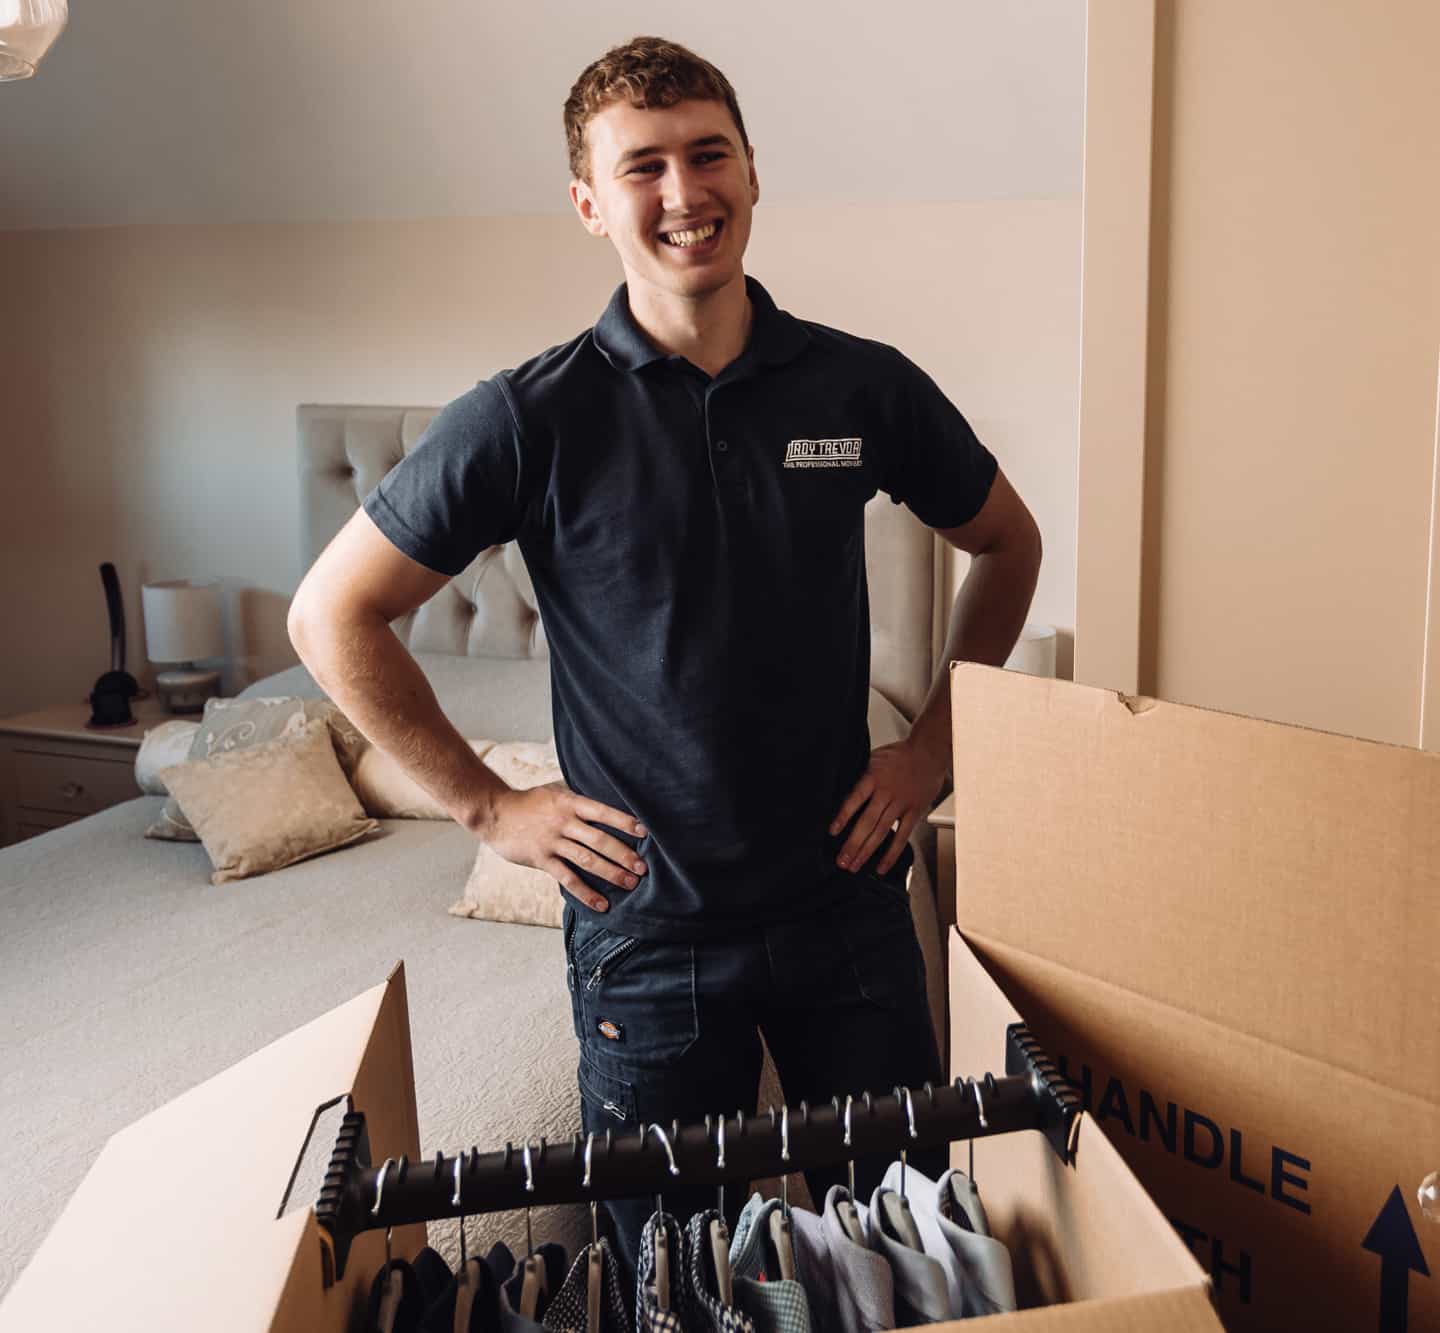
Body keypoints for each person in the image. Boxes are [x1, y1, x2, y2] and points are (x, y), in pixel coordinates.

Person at [287, 35, 1042, 1276]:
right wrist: (485, 804)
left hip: (847, 905)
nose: (684, 193)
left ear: (752, 173)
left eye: (708, 155)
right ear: (590, 204)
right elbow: (329, 617)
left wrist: (932, 748)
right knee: (672, 1282)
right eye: (643, 167)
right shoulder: (528, 417)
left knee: (904, 1251)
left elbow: (1005, 542)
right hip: (648, 930)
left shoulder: (858, 387)